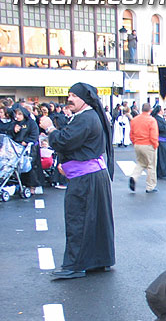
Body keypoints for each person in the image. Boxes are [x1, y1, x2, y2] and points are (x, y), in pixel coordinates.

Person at [39, 82, 115, 279]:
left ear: (85, 99)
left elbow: (64, 141)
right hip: (93, 177)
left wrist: (49, 129)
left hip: (85, 179)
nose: (70, 99)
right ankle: (98, 260)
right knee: (96, 221)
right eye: (69, 95)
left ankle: (75, 265)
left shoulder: (85, 118)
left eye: (74, 95)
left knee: (79, 220)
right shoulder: (89, 116)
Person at [129, 103, 159, 193]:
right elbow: (153, 134)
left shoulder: (134, 120)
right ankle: (150, 186)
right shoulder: (151, 120)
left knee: (140, 163)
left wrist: (134, 142)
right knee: (151, 166)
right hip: (148, 144)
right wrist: (155, 144)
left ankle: (134, 177)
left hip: (137, 144)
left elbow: (131, 134)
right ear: (150, 110)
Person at [151, 105, 166, 179]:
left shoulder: (160, 118)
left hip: (164, 140)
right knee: (162, 157)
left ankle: (164, 171)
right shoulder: (156, 119)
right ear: (159, 111)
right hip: (160, 140)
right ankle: (162, 172)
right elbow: (160, 128)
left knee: (165, 156)